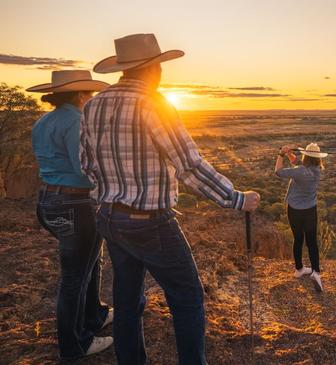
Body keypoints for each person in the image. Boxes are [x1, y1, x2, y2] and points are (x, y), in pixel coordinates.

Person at [81, 33, 260, 365]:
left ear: (124, 68)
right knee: (188, 298)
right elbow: (189, 166)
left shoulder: (94, 104)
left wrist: (112, 192)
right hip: (150, 222)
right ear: (153, 69)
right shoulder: (154, 104)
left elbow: (87, 165)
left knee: (128, 297)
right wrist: (236, 198)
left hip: (109, 216)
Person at [28, 70, 114, 360]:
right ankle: (75, 345)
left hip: (48, 202)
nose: (91, 98)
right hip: (75, 204)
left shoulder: (43, 121)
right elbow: (84, 169)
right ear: (80, 95)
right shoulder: (77, 120)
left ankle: (95, 315)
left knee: (90, 261)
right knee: (75, 276)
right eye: (88, 94)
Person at [275, 143, 326, 292]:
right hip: (310, 210)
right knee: (312, 242)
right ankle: (316, 272)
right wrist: (290, 154)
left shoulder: (300, 172)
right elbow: (298, 163)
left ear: (306, 156)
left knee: (298, 239)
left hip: (295, 210)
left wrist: (281, 154)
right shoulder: (317, 170)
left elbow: (278, 171)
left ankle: (299, 269)